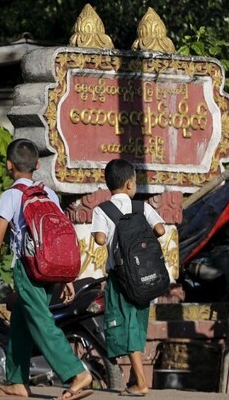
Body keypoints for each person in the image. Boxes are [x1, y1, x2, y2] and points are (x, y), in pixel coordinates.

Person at [0, 138, 93, 400]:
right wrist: (66, 277)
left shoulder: (11, 196)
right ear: (37, 165)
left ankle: (76, 372)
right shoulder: (48, 194)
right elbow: (60, 237)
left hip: (28, 269)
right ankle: (16, 381)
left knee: (40, 321)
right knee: (21, 321)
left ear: (8, 165)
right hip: (51, 267)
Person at [91, 159, 165, 397]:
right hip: (145, 277)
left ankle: (141, 382)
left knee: (125, 324)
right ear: (130, 184)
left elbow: (100, 239)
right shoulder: (142, 208)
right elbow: (161, 230)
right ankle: (136, 380)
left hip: (120, 278)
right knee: (138, 324)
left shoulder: (102, 210)